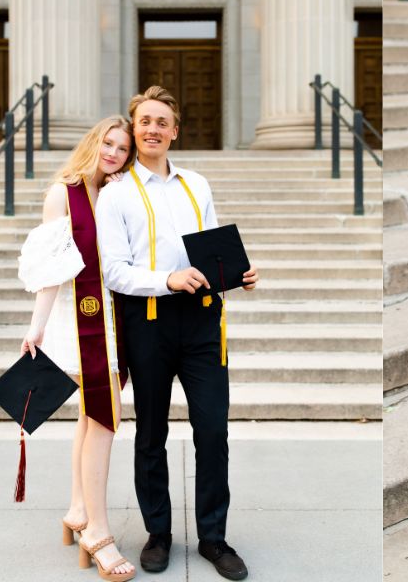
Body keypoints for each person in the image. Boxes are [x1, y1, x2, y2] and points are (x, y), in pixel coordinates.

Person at [95, 85, 259, 581]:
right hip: (148, 324)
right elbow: (114, 271)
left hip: (204, 320)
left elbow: (210, 251)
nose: (152, 129)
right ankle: (159, 533)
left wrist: (237, 274)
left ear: (174, 131)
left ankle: (213, 537)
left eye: (162, 122)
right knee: (152, 433)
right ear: (134, 128)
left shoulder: (197, 185)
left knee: (213, 431)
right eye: (145, 121)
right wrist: (164, 280)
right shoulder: (117, 193)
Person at [18, 115, 137, 581]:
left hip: (115, 319)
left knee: (91, 418)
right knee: (106, 419)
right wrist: (37, 328)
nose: (113, 153)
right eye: (108, 144)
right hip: (81, 320)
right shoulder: (62, 193)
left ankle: (76, 509)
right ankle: (98, 532)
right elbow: (50, 268)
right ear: (94, 142)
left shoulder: (118, 192)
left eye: (122, 149)